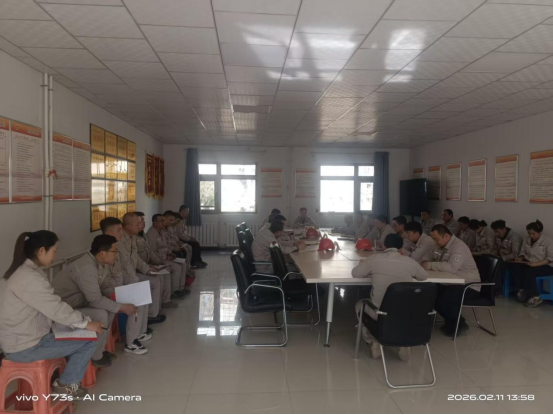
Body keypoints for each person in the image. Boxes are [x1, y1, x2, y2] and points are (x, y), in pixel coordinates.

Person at [0, 231, 102, 399]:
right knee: (89, 341)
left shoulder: (19, 272)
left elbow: (51, 308)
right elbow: (56, 308)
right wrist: (86, 323)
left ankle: (60, 375)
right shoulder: (29, 278)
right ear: (41, 251)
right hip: (25, 346)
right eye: (54, 250)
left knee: (73, 332)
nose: (56, 255)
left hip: (19, 340)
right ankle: (66, 385)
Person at [53, 235, 149, 359]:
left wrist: (120, 297)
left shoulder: (100, 263)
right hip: (66, 308)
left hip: (81, 301)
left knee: (114, 307)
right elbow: (94, 299)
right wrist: (121, 306)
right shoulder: (87, 267)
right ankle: (96, 356)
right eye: (114, 251)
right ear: (102, 253)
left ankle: (102, 348)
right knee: (102, 313)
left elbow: (104, 286)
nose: (116, 255)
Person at [353, 234, 428, 361]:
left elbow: (355, 273)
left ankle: (373, 340)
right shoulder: (410, 261)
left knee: (359, 305)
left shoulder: (374, 259)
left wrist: (369, 269)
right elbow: (424, 276)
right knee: (399, 310)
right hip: (406, 313)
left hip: (379, 312)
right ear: (401, 248)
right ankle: (403, 343)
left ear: (383, 246)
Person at [100, 218, 154, 354]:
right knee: (136, 302)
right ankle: (131, 344)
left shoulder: (115, 246)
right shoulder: (103, 250)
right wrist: (126, 288)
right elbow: (105, 280)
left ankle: (139, 332)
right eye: (119, 230)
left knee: (142, 293)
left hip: (119, 285)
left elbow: (122, 271)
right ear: (109, 233)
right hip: (109, 290)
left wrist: (133, 284)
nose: (121, 232)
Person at [422, 225, 481, 338]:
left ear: (446, 236)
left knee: (443, 298)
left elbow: (451, 268)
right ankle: (456, 321)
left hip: (468, 285)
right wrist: (426, 261)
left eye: (436, 239)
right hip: (451, 283)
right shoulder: (439, 244)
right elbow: (428, 256)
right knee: (431, 294)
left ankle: (458, 323)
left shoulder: (458, 247)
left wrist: (429, 265)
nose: (435, 242)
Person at [121, 213, 169, 323]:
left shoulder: (133, 236)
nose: (140, 225)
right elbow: (125, 264)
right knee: (150, 283)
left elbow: (136, 258)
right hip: (126, 276)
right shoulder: (120, 240)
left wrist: (147, 269)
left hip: (133, 272)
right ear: (128, 226)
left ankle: (153, 313)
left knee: (156, 279)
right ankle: (150, 315)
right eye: (137, 223)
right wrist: (136, 280)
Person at [135, 212, 181, 306]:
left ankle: (166, 299)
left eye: (143, 220)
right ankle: (160, 305)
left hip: (150, 263)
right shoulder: (149, 234)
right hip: (141, 267)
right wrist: (151, 266)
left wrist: (162, 260)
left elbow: (151, 251)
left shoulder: (143, 234)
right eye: (141, 221)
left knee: (168, 269)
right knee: (161, 275)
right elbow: (138, 258)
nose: (144, 222)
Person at [507, 220, 553, 308]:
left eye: (533, 234)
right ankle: (522, 290)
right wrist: (520, 257)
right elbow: (522, 252)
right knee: (515, 266)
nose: (531, 236)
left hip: (546, 265)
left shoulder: (548, 241)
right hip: (530, 263)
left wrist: (536, 264)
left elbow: (550, 258)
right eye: (529, 233)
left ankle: (536, 297)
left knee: (530, 271)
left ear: (540, 232)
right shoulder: (526, 239)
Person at [146, 214, 188, 300]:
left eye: (164, 221)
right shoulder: (151, 234)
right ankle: (174, 292)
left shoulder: (162, 232)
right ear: (155, 222)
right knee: (176, 267)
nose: (164, 223)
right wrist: (165, 257)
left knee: (183, 264)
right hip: (158, 260)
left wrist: (170, 253)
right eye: (161, 221)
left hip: (166, 256)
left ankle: (180, 288)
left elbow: (165, 245)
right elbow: (152, 252)